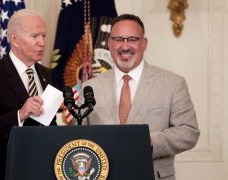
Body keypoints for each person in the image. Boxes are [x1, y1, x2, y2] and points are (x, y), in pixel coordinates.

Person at [79, 14, 200, 180]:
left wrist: (148, 141)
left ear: (144, 43)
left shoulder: (173, 83)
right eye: (119, 39)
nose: (125, 46)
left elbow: (189, 132)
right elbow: (80, 136)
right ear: (110, 43)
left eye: (132, 39)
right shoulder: (90, 87)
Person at [0, 9, 57, 180]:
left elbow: (47, 125)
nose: (42, 43)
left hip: (41, 171)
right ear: (15, 39)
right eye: (35, 36)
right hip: (3, 172)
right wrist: (19, 115)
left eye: (44, 36)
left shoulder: (47, 75)